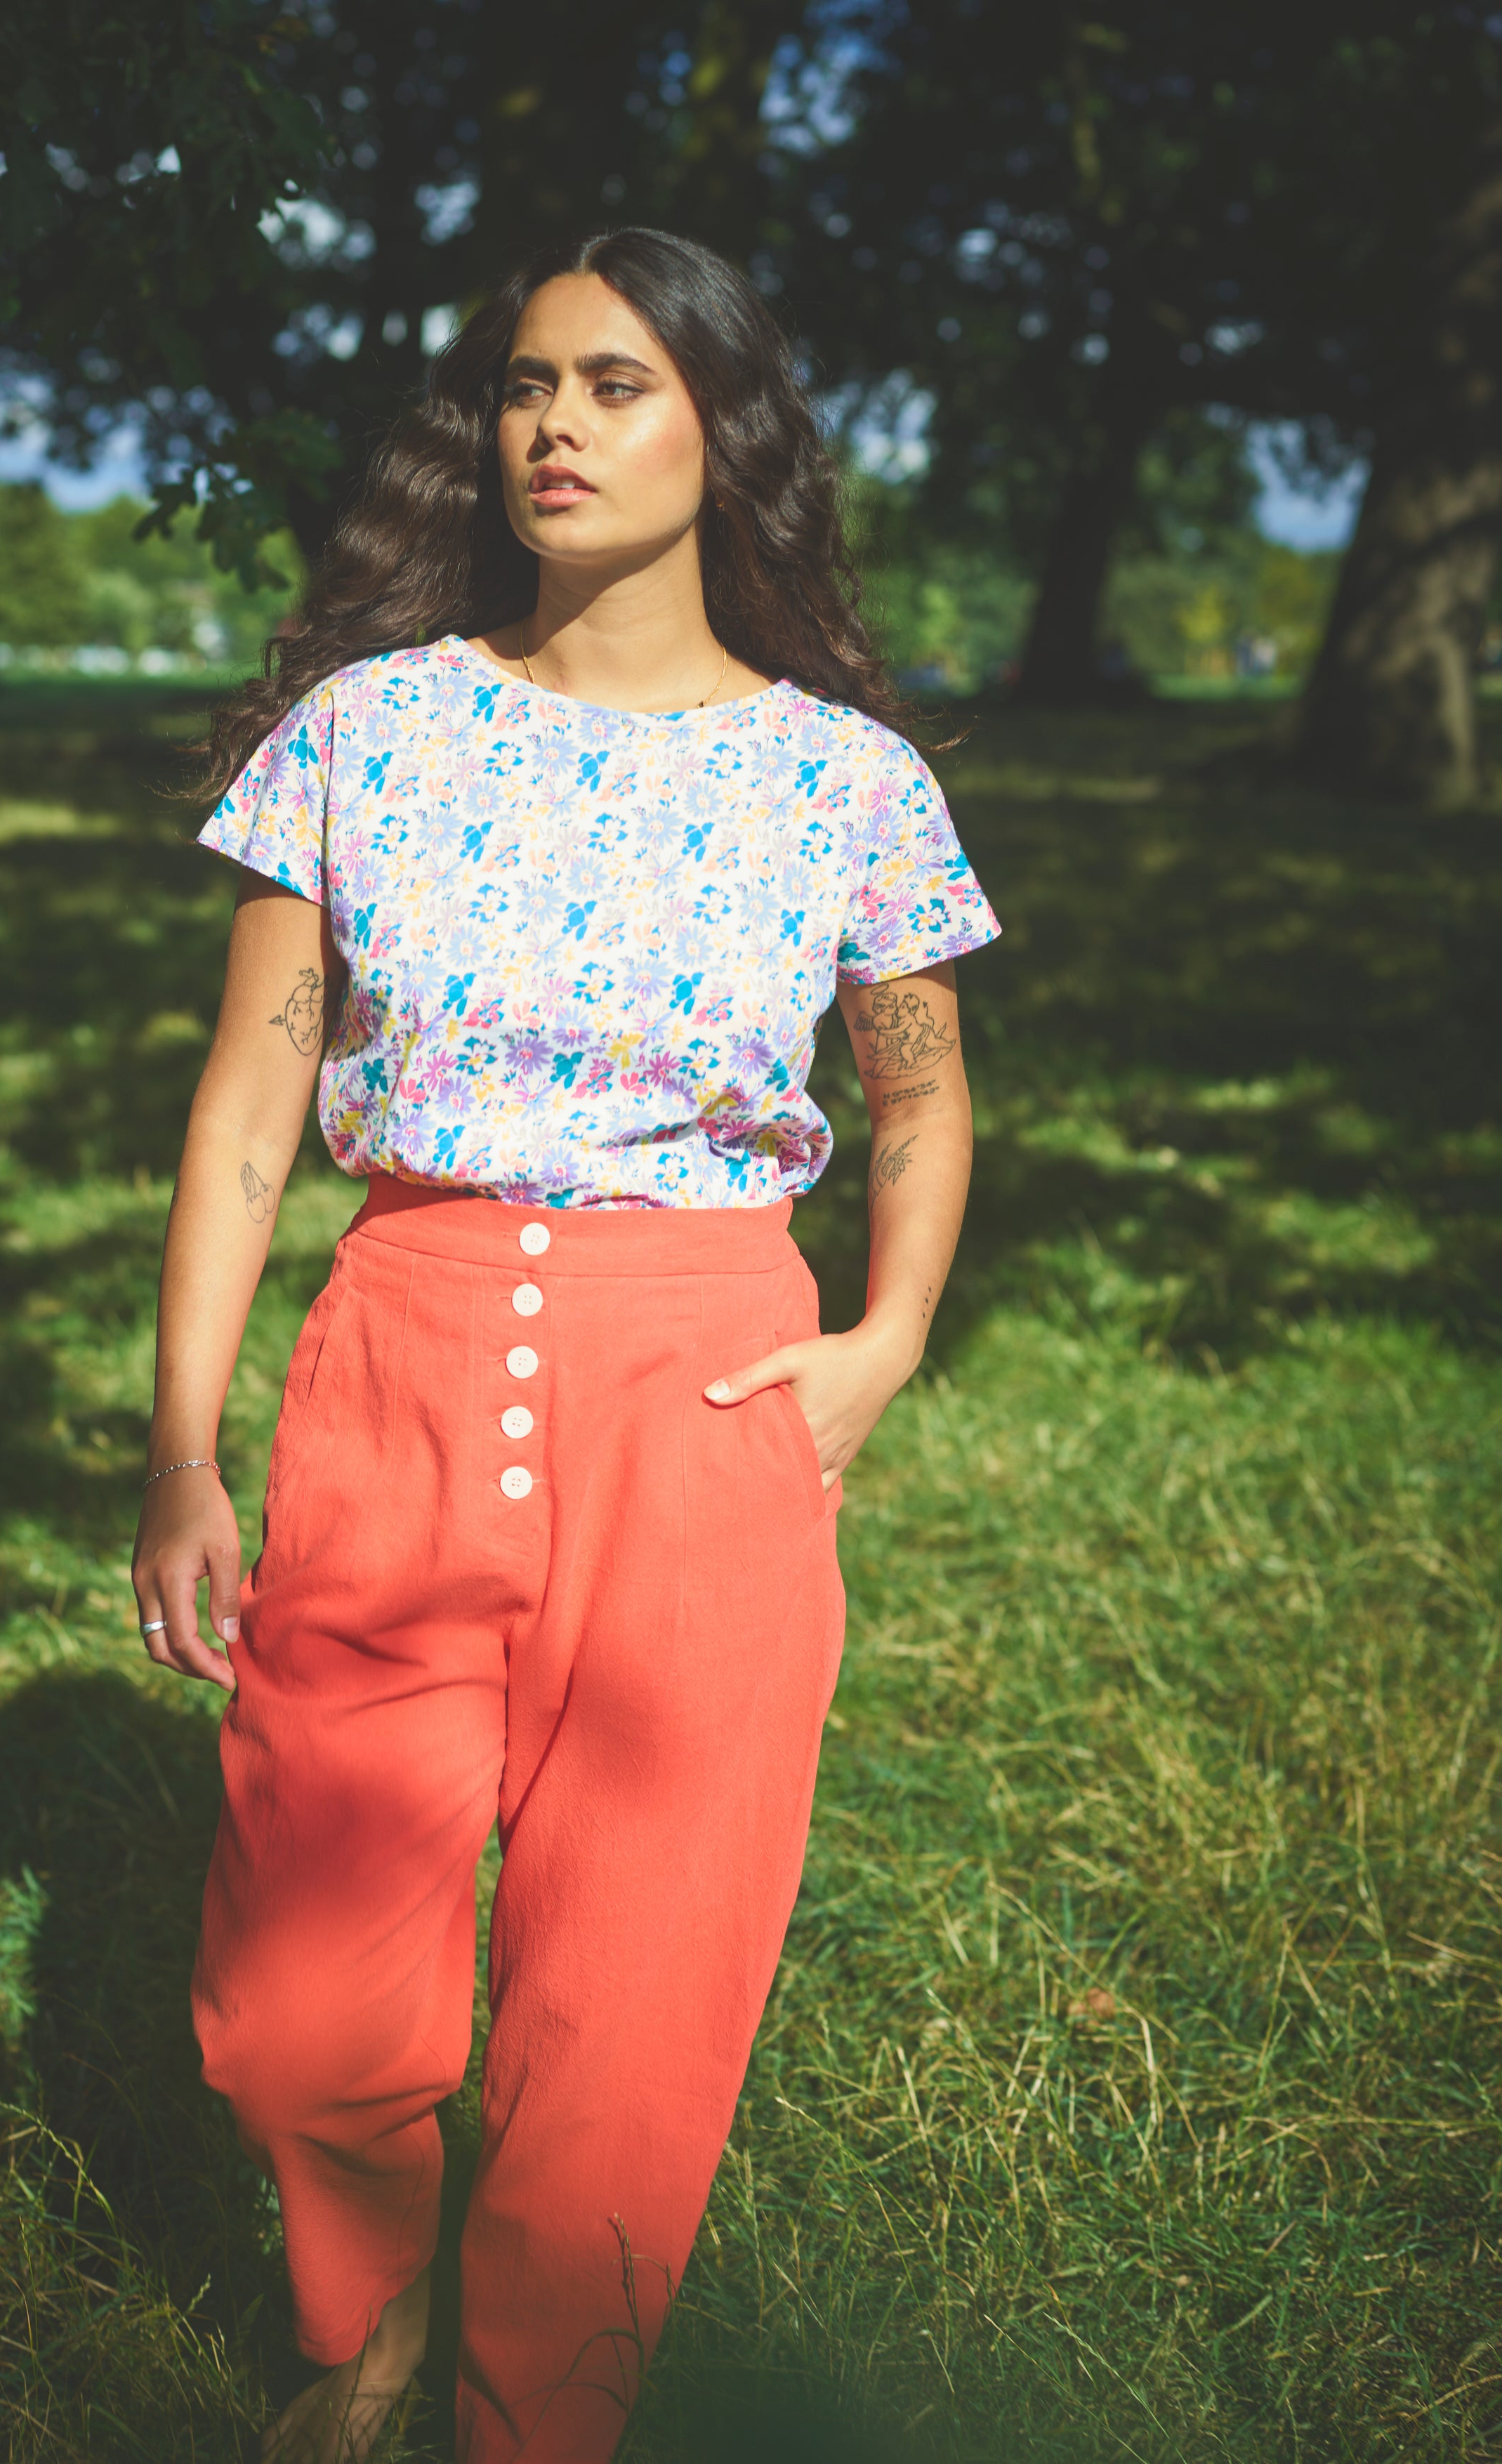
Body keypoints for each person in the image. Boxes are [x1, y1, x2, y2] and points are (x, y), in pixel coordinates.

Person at [130, 227, 999, 2464]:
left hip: (705, 1377)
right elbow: (247, 1107)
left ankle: (541, 2419)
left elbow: (918, 1085)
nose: (555, 425)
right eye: (528, 383)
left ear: (725, 432)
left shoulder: (847, 780)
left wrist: (886, 1339)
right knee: (298, 2010)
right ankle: (376, 2290)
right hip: (399, 1360)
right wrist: (184, 1450)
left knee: (639, 2007)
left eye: (616, 385)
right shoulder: (364, 736)